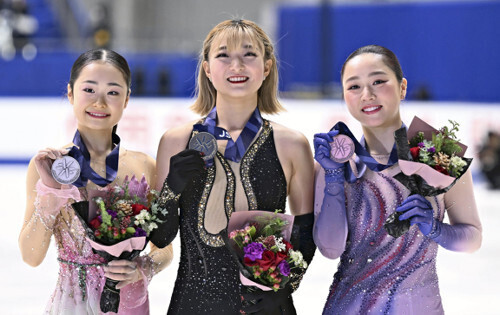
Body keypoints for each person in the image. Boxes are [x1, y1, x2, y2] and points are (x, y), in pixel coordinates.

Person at [154, 19, 316, 314]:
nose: (236, 65)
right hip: (193, 304)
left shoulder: (292, 144)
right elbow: (160, 236)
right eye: (223, 55)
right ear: (207, 68)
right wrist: (170, 189)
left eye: (249, 54)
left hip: (266, 306)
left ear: (266, 67)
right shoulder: (175, 141)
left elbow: (305, 232)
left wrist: (285, 288)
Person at [313, 45, 482, 314]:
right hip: (349, 306)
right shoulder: (338, 161)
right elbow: (330, 249)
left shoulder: (437, 152)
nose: (367, 95)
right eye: (354, 86)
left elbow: (472, 238)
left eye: (379, 81)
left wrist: (436, 229)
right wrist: (333, 176)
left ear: (402, 87)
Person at [19, 48, 173, 314]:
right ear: (70, 93)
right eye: (89, 90)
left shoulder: (144, 166)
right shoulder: (49, 166)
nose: (100, 102)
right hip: (73, 305)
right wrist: (51, 197)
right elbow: (31, 256)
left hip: (129, 303)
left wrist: (143, 268)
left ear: (126, 99)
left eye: (113, 92)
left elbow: (165, 249)